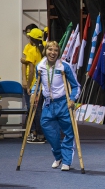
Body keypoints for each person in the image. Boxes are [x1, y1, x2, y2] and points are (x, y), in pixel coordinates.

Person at [33, 41, 80, 171]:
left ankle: (66, 161)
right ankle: (58, 156)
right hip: (48, 104)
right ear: (45, 51)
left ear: (58, 52)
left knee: (68, 133)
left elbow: (76, 86)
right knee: (47, 128)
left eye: (55, 50)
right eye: (50, 50)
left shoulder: (64, 66)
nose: (52, 53)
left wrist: (72, 99)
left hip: (63, 103)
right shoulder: (40, 66)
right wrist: (33, 93)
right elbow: (36, 84)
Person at [21, 26, 45, 143]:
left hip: (34, 84)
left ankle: (38, 134)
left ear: (31, 39)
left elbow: (31, 71)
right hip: (43, 84)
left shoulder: (32, 51)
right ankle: (39, 134)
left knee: (33, 109)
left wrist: (29, 85)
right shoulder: (45, 47)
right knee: (39, 108)